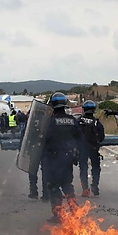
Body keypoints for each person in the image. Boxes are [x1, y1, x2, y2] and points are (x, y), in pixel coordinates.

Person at [42, 92, 82, 222]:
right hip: (68, 157)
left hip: (54, 158)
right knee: (67, 184)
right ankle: (75, 210)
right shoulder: (72, 120)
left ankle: (58, 214)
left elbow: (45, 138)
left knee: (53, 186)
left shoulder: (51, 121)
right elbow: (79, 137)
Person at [78, 100, 105, 197]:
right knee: (96, 167)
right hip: (94, 148)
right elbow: (102, 137)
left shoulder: (79, 121)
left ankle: (85, 189)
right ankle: (95, 185)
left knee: (83, 168)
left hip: (82, 148)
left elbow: (73, 134)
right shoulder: (96, 122)